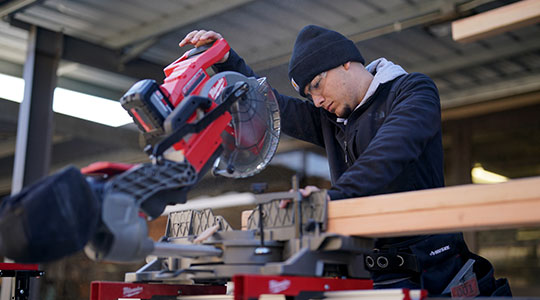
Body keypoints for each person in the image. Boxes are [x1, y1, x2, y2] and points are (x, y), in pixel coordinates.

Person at [179, 25, 511, 297]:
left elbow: (386, 158)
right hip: (373, 269)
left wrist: (328, 201)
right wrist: (225, 60)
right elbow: (270, 106)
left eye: (317, 85)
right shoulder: (333, 118)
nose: (317, 100)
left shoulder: (412, 92)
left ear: (346, 63)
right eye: (309, 95)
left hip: (433, 267)